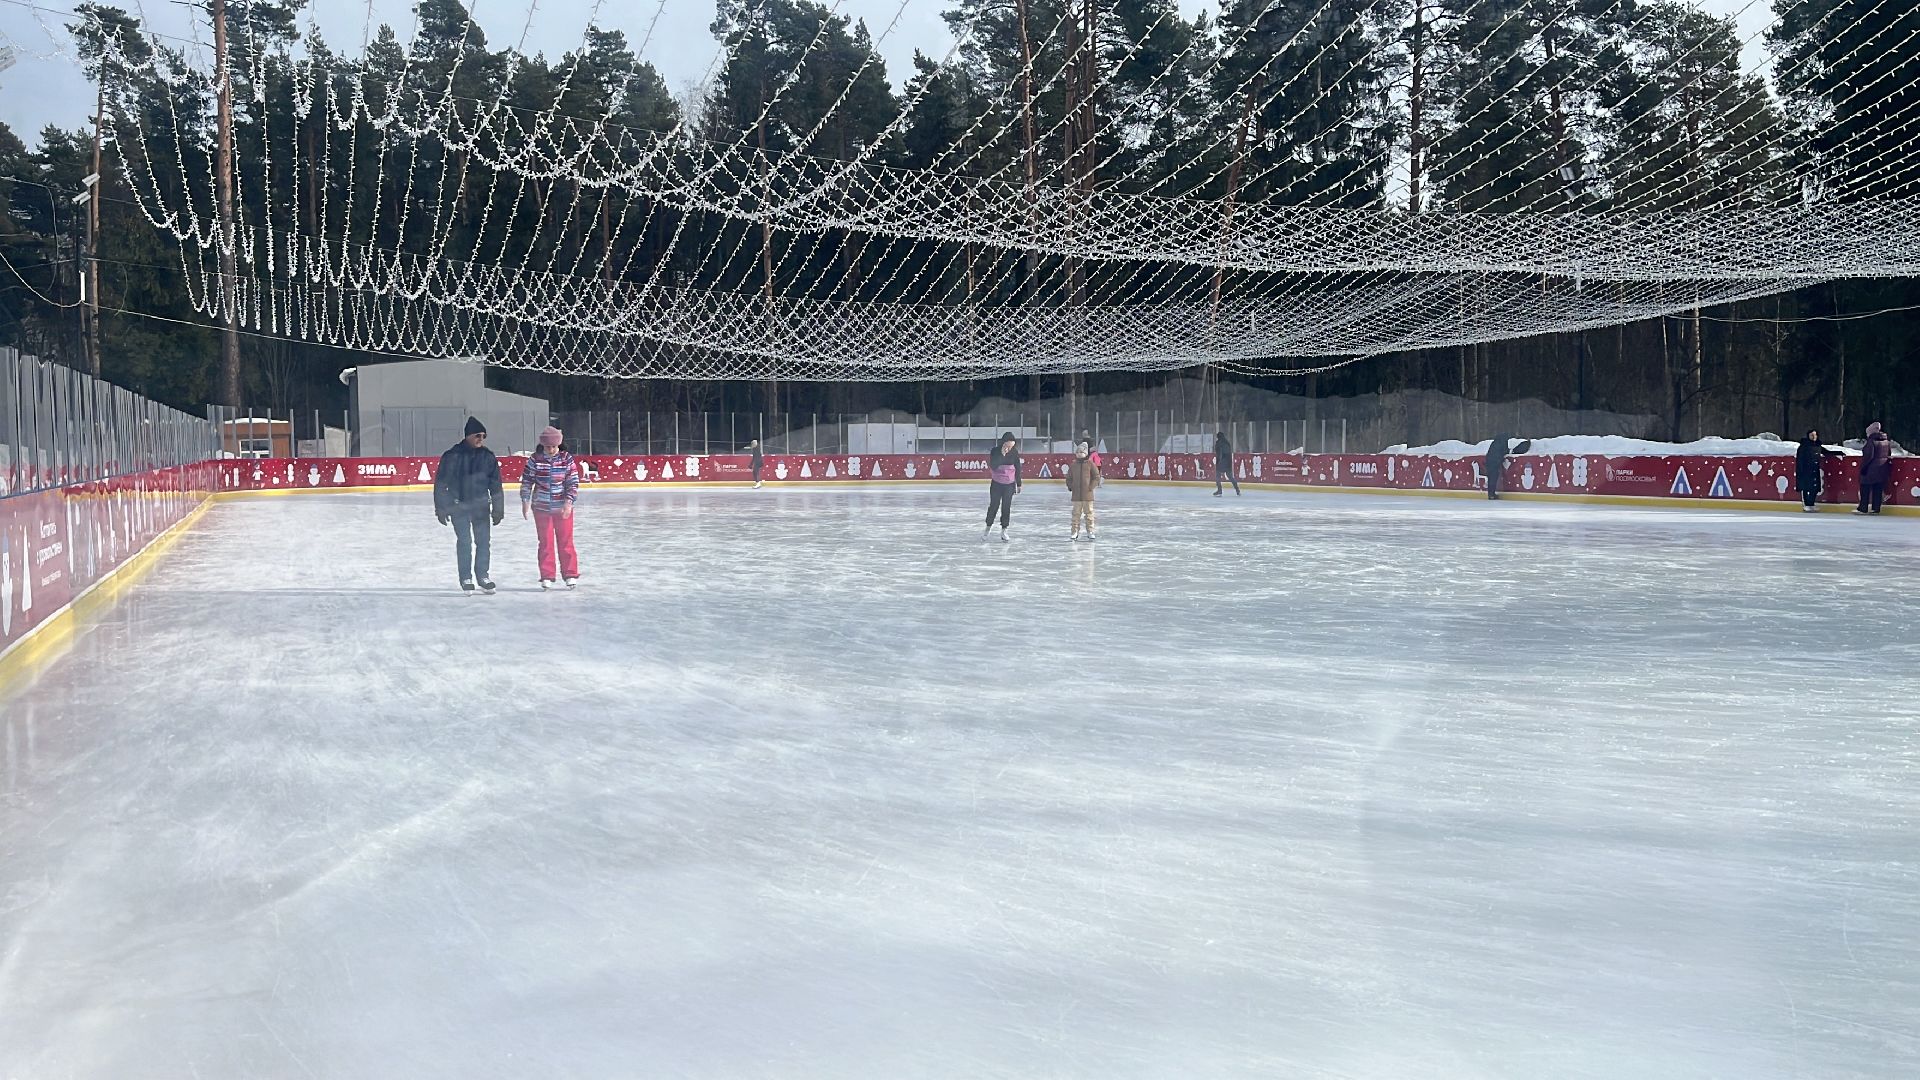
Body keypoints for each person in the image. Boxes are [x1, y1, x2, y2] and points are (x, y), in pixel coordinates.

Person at [434, 416, 504, 593]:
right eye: (477, 435)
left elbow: (495, 484)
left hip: (481, 506)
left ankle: (482, 576)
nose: (481, 439)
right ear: (468, 436)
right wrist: (441, 508)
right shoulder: (452, 455)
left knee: (483, 542)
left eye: (483, 436)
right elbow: (441, 483)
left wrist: (498, 508)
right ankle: (465, 577)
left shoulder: (488, 456)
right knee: (465, 541)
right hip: (459, 506)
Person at [521, 426, 581, 588]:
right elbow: (527, 481)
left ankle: (570, 574)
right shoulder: (535, 460)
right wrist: (525, 501)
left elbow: (573, 482)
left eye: (554, 446)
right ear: (543, 445)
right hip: (541, 507)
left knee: (566, 541)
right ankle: (546, 575)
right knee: (545, 542)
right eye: (548, 447)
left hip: (562, 508)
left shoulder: (566, 459)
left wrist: (568, 503)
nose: (552, 450)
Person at [984, 431, 1022, 541]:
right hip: (996, 484)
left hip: (1009, 485)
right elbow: (994, 466)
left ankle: (1004, 530)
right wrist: (1002, 455)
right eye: (1008, 445)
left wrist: (1018, 484)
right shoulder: (995, 451)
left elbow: (1018, 468)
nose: (1009, 448)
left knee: (1006, 507)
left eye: (1011, 446)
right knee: (994, 506)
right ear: (1003, 443)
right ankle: (987, 528)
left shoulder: (1014, 452)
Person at [1796, 429, 1841, 512]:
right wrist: (1801, 471)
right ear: (1808, 436)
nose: (1813, 437)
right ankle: (1807, 505)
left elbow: (1826, 452)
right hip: (1806, 471)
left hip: (1814, 470)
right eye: (1812, 435)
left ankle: (1811, 504)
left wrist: (1839, 453)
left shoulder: (1818, 446)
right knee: (1806, 488)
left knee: (1814, 488)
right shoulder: (1803, 447)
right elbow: (1800, 460)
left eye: (1815, 435)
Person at [1065, 439, 1101, 541]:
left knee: (1089, 514)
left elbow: (1096, 477)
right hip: (1076, 496)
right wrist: (1070, 486)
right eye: (1077, 452)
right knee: (1075, 514)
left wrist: (1090, 487)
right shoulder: (1073, 465)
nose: (1079, 454)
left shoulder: (1090, 464)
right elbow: (1068, 478)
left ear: (1085, 453)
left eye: (1082, 452)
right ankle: (1074, 531)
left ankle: (1090, 531)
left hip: (1088, 495)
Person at [1856, 421, 1893, 515]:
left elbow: (1869, 456)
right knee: (1878, 489)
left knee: (1865, 488)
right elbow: (1889, 454)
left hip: (1870, 469)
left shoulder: (1871, 442)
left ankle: (1863, 508)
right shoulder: (1886, 441)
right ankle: (1876, 509)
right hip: (1882, 469)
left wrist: (1864, 468)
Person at [1484, 434, 1514, 500]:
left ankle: (1490, 494)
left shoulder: (1494, 443)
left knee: (1490, 479)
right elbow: (1503, 451)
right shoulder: (1503, 443)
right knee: (1493, 479)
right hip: (1495, 463)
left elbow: (1492, 452)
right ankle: (1492, 495)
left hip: (1489, 462)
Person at [1213, 431, 1239, 496]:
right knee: (1230, 476)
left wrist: (1219, 461)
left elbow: (1219, 454)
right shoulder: (1227, 442)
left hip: (1222, 462)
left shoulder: (1219, 443)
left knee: (1217, 476)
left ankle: (1219, 490)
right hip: (1228, 462)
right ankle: (1237, 490)